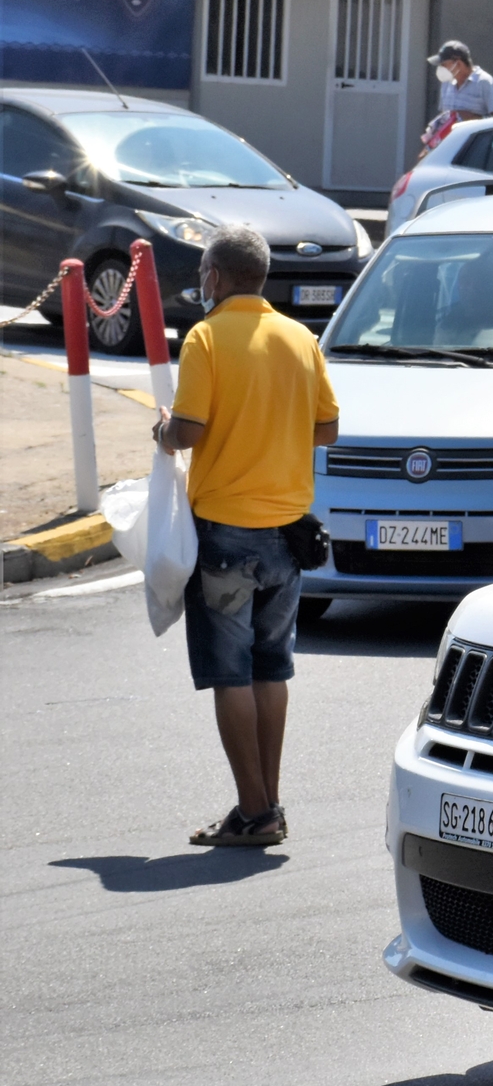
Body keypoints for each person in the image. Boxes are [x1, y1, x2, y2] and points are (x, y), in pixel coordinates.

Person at [156, 225, 340, 849]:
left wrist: (161, 430)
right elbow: (329, 429)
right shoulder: (300, 337)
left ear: (214, 276)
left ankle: (255, 812)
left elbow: (186, 432)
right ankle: (266, 807)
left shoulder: (206, 337)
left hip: (227, 534)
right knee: (271, 669)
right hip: (288, 536)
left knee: (230, 674)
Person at [430, 40, 493, 125]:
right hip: (452, 138)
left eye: (444, 65)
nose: (440, 68)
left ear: (458, 64)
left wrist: (472, 118)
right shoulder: (446, 83)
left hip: (476, 137)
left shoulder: (484, 82)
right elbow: (444, 115)